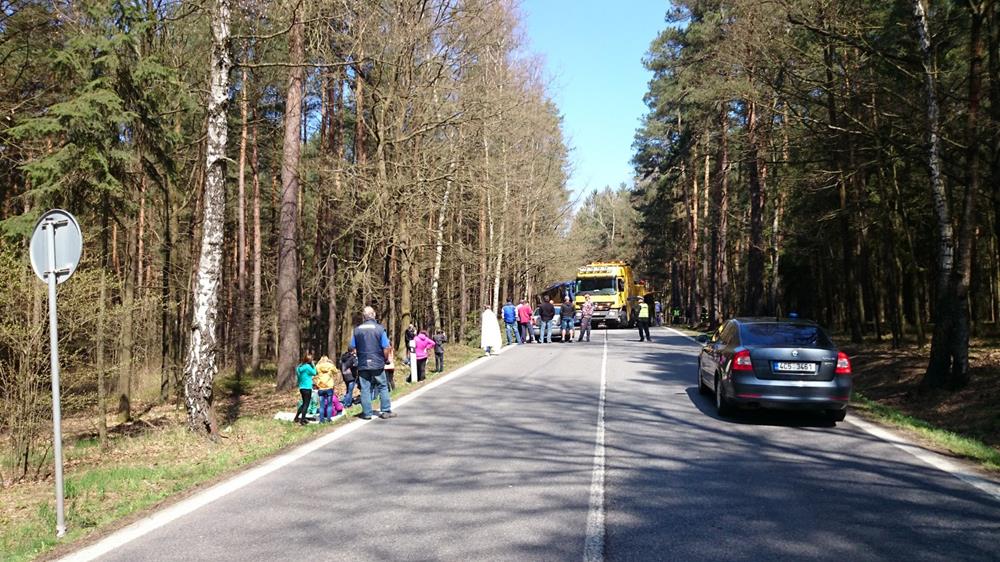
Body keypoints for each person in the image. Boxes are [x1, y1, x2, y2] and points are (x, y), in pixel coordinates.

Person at [349, 306, 396, 420]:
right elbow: (386, 347)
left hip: (363, 363)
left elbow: (352, 347)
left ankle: (367, 413)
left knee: (365, 388)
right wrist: (385, 359)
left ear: (364, 316)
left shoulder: (357, 330)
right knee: (382, 386)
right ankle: (385, 410)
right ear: (374, 314)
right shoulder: (380, 329)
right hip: (377, 362)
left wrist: (358, 355)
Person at [314, 355, 344, 423]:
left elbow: (314, 373)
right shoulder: (330, 365)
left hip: (321, 387)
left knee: (321, 405)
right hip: (329, 387)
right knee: (329, 404)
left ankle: (321, 420)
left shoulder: (318, 366)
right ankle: (328, 419)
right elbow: (336, 371)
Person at [293, 353, 316, 426]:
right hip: (307, 387)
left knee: (303, 403)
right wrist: (313, 365)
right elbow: (315, 373)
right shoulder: (308, 367)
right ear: (309, 360)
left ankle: (296, 417)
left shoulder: (299, 367)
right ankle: (302, 420)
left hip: (301, 387)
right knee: (306, 404)